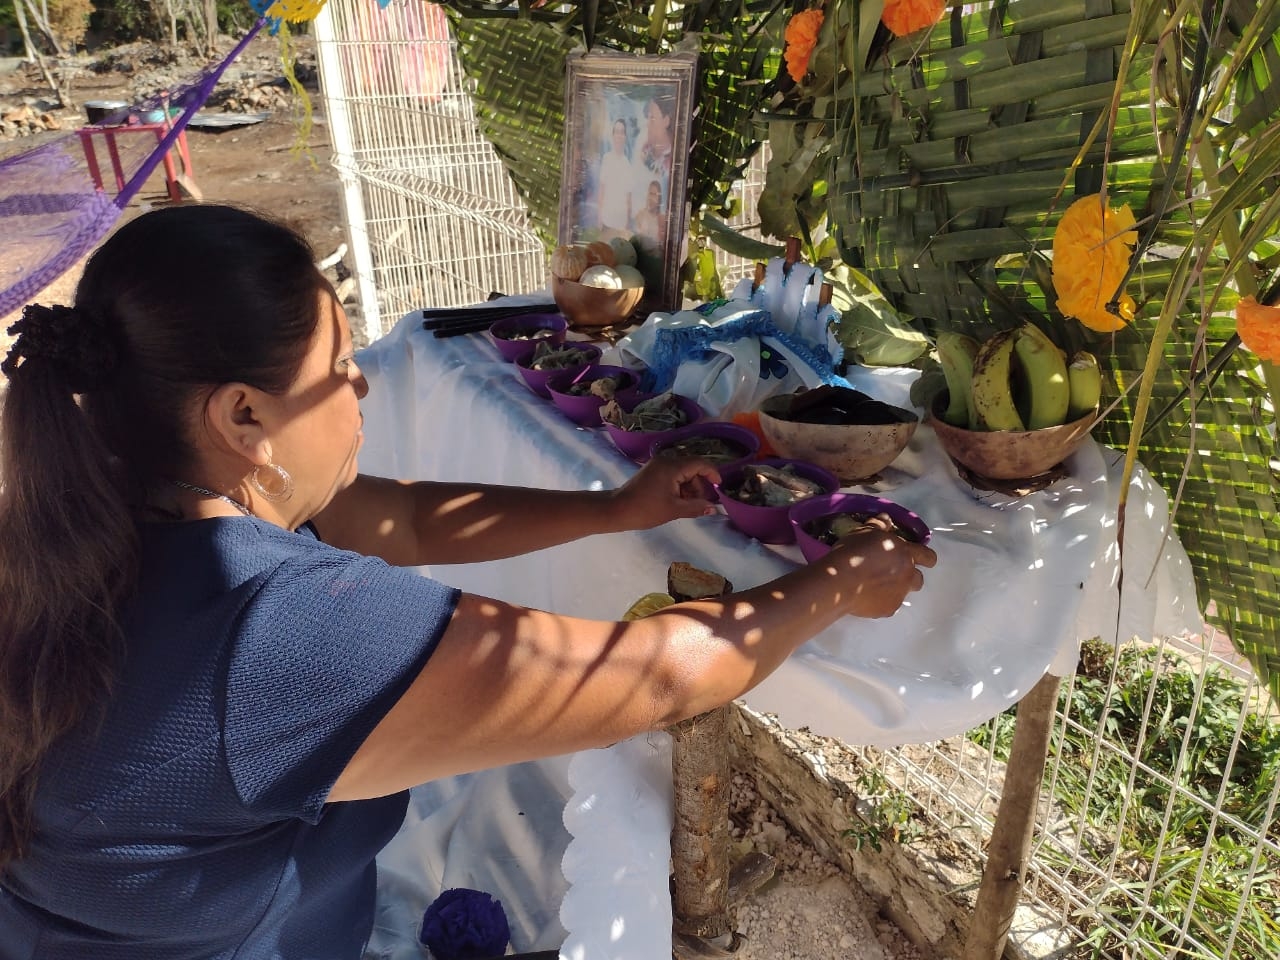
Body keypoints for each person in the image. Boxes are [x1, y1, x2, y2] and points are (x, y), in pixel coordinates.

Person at [0, 204, 935, 959]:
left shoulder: (75, 510)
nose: (360, 390)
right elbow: (660, 677)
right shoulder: (274, 632)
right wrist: (848, 578)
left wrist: (614, 511)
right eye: (338, 371)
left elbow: (401, 518)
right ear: (244, 416)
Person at [596, 117, 634, 240]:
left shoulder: (627, 165)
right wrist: (599, 217)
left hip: (621, 224)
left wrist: (627, 224)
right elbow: (602, 189)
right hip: (606, 221)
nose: (619, 136)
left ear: (625, 137)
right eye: (616, 132)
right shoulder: (607, 159)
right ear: (613, 135)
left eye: (622, 132)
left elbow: (629, 199)